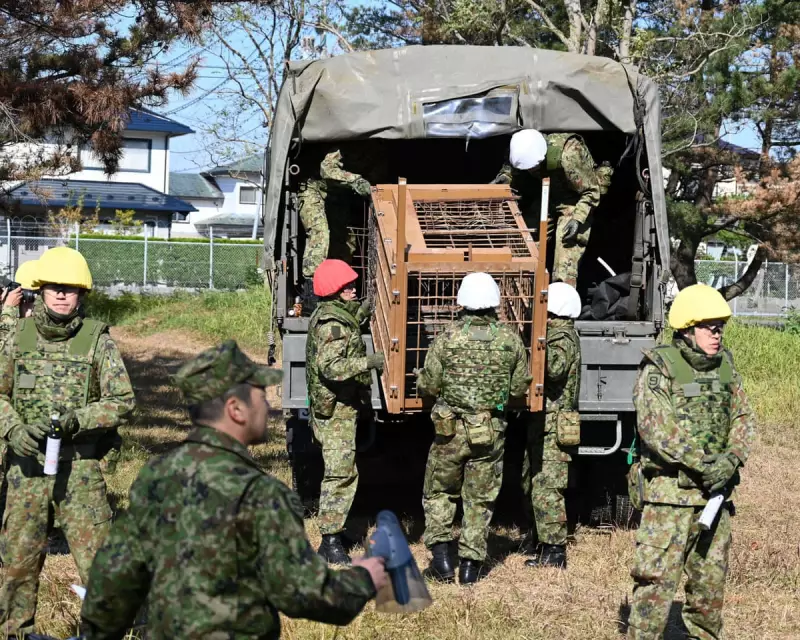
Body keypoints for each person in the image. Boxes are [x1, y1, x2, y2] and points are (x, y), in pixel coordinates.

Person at [80, 340, 387, 640]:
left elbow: (115, 576)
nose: (267, 406)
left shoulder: (155, 476)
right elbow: (306, 594)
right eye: (260, 396)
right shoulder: (262, 493)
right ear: (236, 409)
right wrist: (365, 578)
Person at [0, 246, 135, 636]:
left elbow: (122, 401)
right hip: (26, 472)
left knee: (99, 566)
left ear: (82, 294)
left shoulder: (97, 341)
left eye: (70, 288)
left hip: (80, 472)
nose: (61, 294)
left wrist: (80, 419)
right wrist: (14, 430)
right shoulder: (17, 337)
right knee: (18, 565)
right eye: (54, 287)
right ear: (40, 290)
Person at [627, 284, 755, 640]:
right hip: (669, 501)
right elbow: (657, 430)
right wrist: (706, 465)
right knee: (654, 589)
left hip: (714, 499)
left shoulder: (725, 366)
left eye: (720, 327)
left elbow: (743, 418)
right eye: (709, 327)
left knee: (709, 592)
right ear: (687, 328)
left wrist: (732, 458)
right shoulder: (660, 367)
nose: (717, 334)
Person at [417, 272, 531, 585]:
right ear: (495, 301)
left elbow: (429, 385)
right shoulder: (509, 339)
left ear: (462, 301)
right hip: (489, 431)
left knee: (439, 492)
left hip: (450, 431)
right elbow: (519, 387)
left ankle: (441, 561)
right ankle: (470, 567)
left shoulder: (447, 337)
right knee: (479, 498)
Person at [306, 259, 384, 564]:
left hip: (338, 409)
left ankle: (334, 533)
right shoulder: (332, 324)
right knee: (339, 474)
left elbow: (349, 328)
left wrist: (364, 310)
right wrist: (369, 363)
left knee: (344, 472)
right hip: (335, 411)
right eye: (347, 286)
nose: (353, 288)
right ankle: (330, 542)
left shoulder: (334, 314)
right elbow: (331, 367)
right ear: (334, 290)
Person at [493, 129, 613, 286]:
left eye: (533, 168)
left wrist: (578, 218)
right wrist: (504, 179)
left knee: (566, 255)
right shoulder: (519, 150)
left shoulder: (569, 154)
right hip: (544, 196)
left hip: (574, 200)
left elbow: (591, 191)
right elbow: (510, 171)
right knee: (525, 244)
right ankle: (522, 290)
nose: (530, 171)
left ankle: (561, 295)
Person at [524, 282, 582, 570]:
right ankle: (543, 543)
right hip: (547, 424)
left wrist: (539, 343)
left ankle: (554, 551)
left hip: (554, 425)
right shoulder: (562, 334)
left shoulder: (562, 337)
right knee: (537, 484)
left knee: (548, 488)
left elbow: (554, 369)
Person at [298, 149, 374, 282]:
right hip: (314, 187)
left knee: (346, 240)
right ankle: (312, 284)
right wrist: (356, 181)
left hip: (338, 195)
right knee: (320, 234)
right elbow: (327, 170)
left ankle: (340, 281)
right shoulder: (341, 148)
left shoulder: (378, 150)